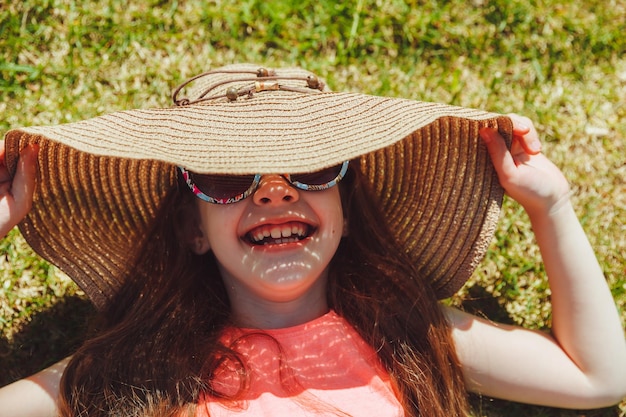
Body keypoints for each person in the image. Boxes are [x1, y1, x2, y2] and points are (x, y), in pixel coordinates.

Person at [0, 63, 624, 417]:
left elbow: (599, 379)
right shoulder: (143, 363)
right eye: (228, 179)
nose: (274, 192)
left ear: (346, 213)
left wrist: (552, 205)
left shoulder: (408, 332)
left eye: (315, 168)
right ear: (191, 230)